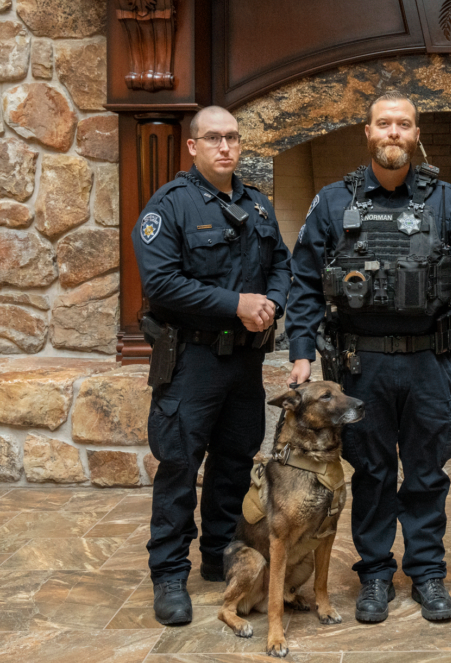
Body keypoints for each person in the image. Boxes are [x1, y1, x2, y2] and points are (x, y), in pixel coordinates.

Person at [286, 90, 451, 624]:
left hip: (428, 361)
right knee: (372, 472)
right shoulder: (333, 201)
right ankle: (375, 574)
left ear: (416, 135)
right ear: (368, 134)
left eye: (404, 124)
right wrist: (302, 353)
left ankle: (427, 574)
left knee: (426, 472)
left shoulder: (446, 201)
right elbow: (305, 282)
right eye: (384, 124)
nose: (394, 132)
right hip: (359, 366)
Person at [132, 105, 291, 625]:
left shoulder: (259, 207)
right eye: (214, 138)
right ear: (193, 147)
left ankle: (219, 553)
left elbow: (283, 265)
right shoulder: (169, 207)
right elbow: (161, 284)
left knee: (235, 462)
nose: (225, 147)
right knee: (179, 466)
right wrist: (237, 304)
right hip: (192, 360)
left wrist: (271, 303)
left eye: (233, 138)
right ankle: (169, 574)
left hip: (242, 363)